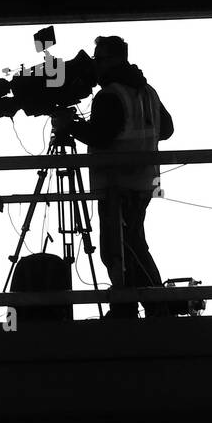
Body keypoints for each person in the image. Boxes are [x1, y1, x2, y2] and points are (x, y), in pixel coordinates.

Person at [56, 36, 174, 318]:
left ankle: (132, 307)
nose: (95, 66)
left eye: (99, 59)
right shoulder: (147, 91)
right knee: (133, 244)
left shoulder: (110, 95)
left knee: (116, 249)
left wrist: (70, 126)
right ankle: (148, 305)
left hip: (115, 183)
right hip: (144, 183)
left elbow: (101, 136)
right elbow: (167, 129)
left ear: (112, 60)